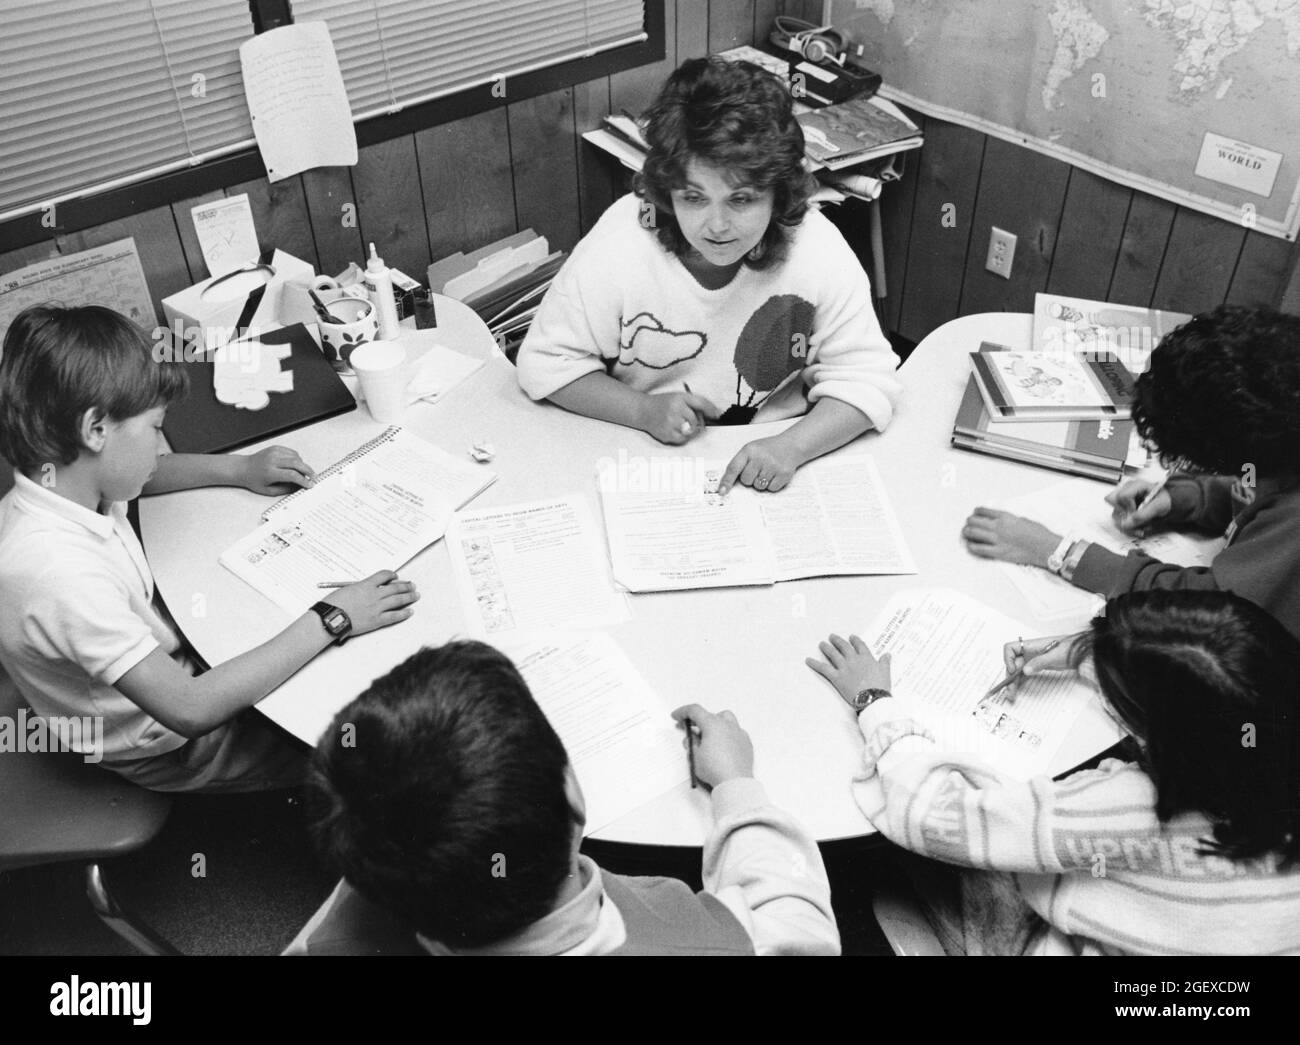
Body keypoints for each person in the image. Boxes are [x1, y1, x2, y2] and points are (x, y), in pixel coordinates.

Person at [0, 304, 419, 791]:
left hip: (167, 664)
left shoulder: (61, 482)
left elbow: (143, 476)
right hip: (171, 743)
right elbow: (190, 709)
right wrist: (334, 617)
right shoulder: (56, 574)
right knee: (373, 749)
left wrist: (238, 469)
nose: (161, 448)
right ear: (95, 429)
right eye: (156, 428)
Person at [806, 589, 1300, 955]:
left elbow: (936, 814)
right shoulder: (1260, 753)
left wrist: (874, 703)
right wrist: (1090, 653)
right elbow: (1203, 693)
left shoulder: (1127, 805)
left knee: (924, 850)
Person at [289, 640, 840, 955]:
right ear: (575, 799)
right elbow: (798, 924)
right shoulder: (703, 947)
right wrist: (736, 785)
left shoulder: (366, 888)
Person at [516, 57, 901, 495]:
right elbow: (545, 364)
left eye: (741, 200)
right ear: (666, 192)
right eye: (694, 198)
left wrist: (790, 447)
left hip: (775, 455)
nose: (716, 226)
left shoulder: (815, 246)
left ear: (778, 194)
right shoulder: (620, 243)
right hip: (647, 452)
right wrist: (641, 410)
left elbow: (870, 380)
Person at [962, 305, 1300, 637]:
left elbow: (1215, 611)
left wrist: (1061, 553)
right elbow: (1252, 480)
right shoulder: (1279, 434)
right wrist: (1185, 498)